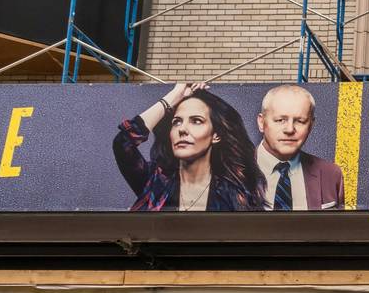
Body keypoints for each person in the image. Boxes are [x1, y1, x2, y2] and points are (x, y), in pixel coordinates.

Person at [113, 83, 265, 211]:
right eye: (177, 122)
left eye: (196, 121)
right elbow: (123, 142)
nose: (182, 129)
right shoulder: (155, 181)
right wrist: (175, 94)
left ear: (216, 135)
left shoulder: (234, 196)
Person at [255, 84, 346, 210]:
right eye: (280, 120)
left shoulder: (330, 174)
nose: (290, 129)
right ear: (261, 122)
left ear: (311, 125)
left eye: (300, 121)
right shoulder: (227, 171)